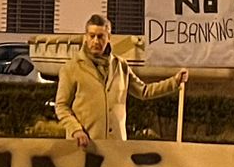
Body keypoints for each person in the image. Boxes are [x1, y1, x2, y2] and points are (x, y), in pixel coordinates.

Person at [53, 14, 187, 151]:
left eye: (100, 36)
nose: (95, 41)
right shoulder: (71, 68)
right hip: (84, 147)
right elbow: (62, 106)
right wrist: (76, 130)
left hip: (116, 148)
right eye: (92, 36)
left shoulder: (121, 65)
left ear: (109, 38)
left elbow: (144, 91)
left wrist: (174, 82)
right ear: (85, 37)